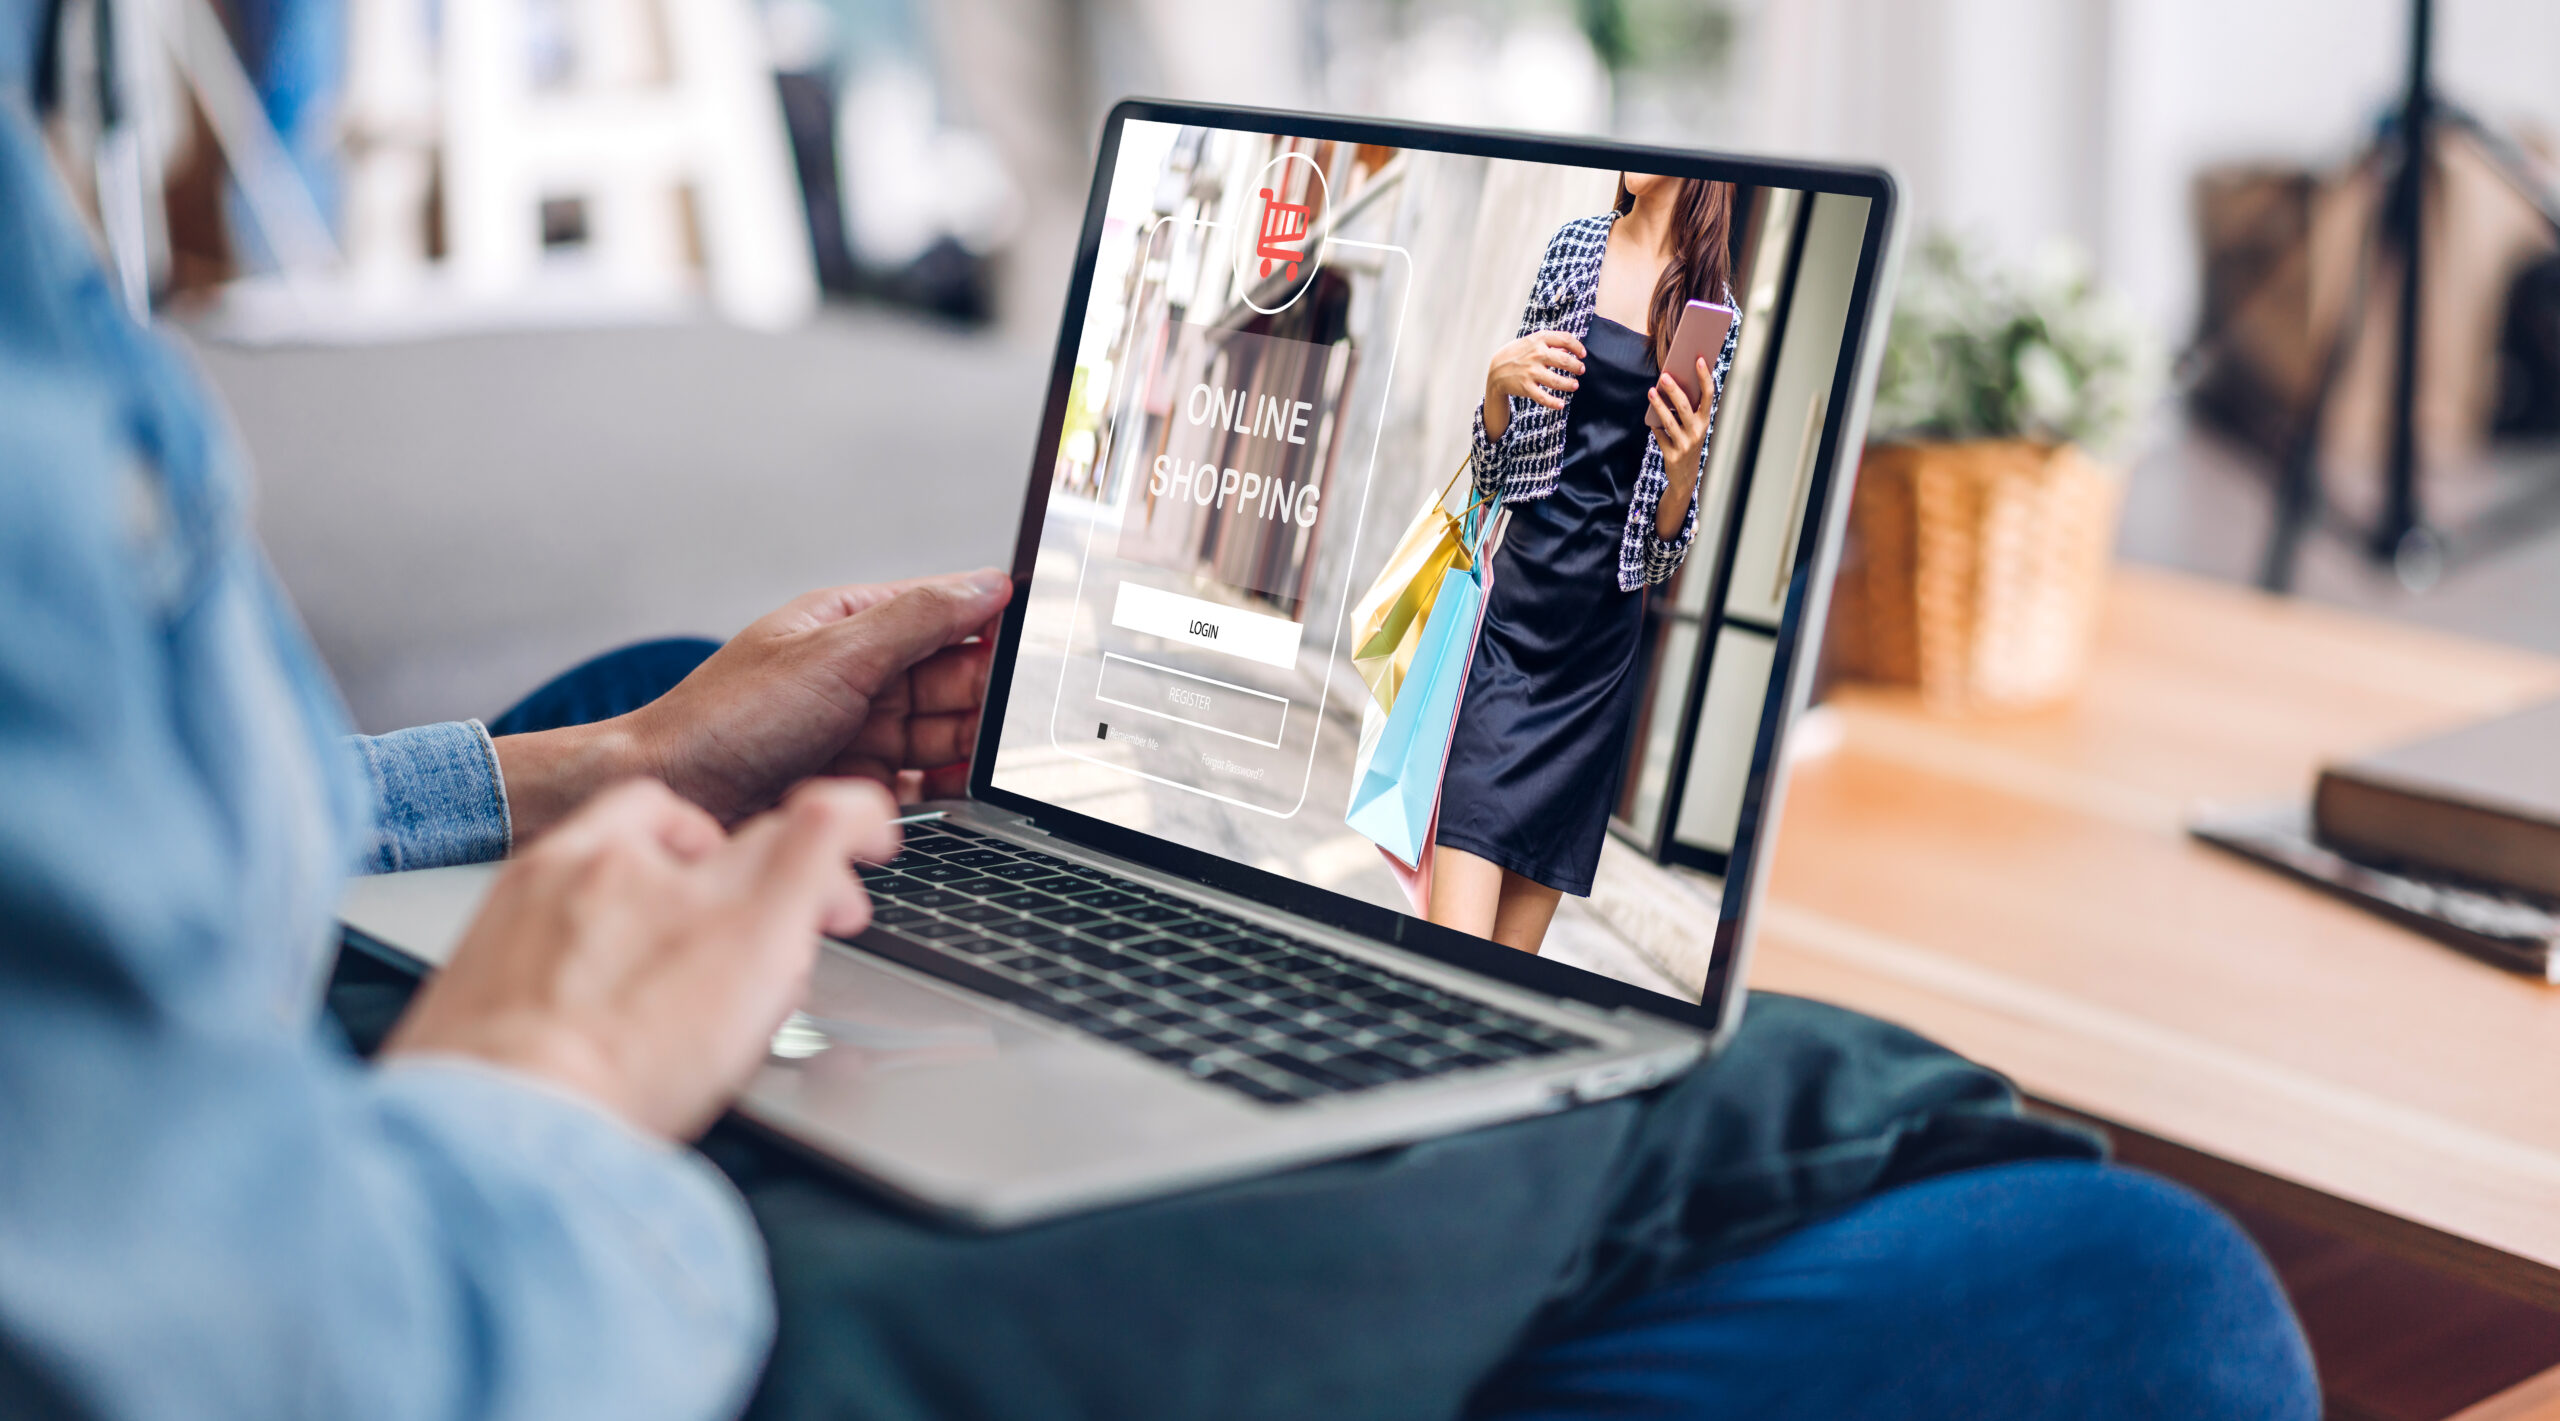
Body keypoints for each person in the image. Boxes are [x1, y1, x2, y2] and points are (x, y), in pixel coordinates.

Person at [1, 16, 2319, 1418]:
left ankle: (1440, 1077)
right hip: (444, 1292)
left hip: (1573, 617)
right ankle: (1674, 1107)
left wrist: (583, 777)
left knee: (674, 717)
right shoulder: (1548, 263)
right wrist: (548, 1092)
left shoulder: (1695, 282)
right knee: (2120, 1293)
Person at [1433, 173, 1738, 955]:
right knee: (1448, 957)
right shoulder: (1572, 249)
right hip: (1513, 620)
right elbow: (1496, 477)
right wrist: (1498, 389)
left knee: (1506, 978)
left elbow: (1663, 553)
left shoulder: (1711, 312)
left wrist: (1683, 466)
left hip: (1597, 658)